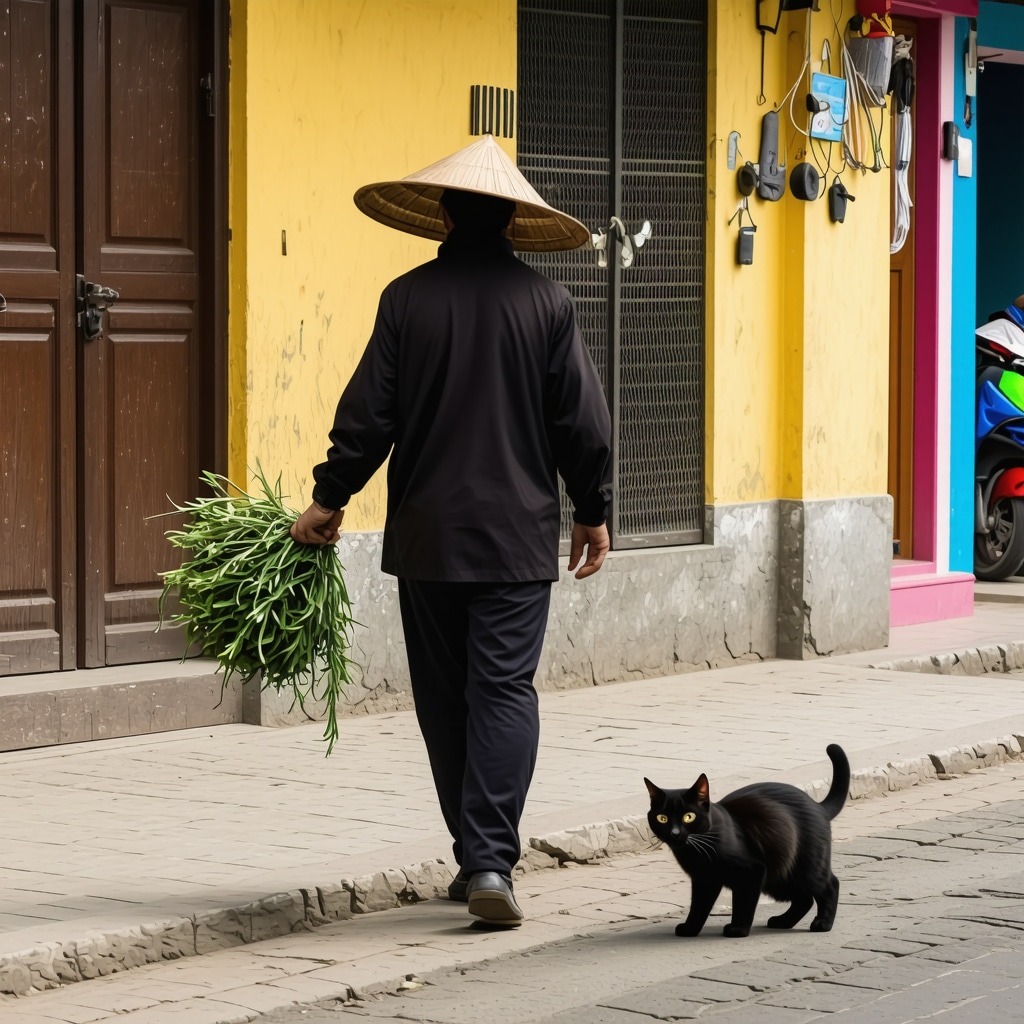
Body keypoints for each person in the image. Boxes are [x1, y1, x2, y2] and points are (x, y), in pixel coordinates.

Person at [290, 135, 612, 927]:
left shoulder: (407, 299)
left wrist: (328, 499)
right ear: (511, 220)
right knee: (503, 690)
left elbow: (369, 416)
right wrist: (593, 510)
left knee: (444, 697)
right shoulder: (548, 304)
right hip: (516, 540)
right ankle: (489, 861)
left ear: (442, 216)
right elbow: (583, 424)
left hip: (429, 539)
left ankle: (477, 859)